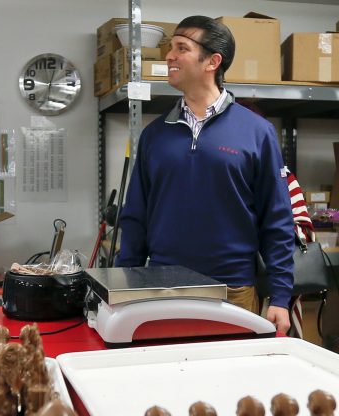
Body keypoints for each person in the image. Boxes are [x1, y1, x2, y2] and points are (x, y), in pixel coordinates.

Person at [115, 15, 294, 334]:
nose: (169, 55)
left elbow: (277, 220)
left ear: (213, 61)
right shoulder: (155, 134)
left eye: (181, 48)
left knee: (234, 381)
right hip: (162, 290)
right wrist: (121, 287)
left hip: (233, 292)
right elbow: (135, 217)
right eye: (170, 47)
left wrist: (280, 296)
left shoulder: (257, 132)